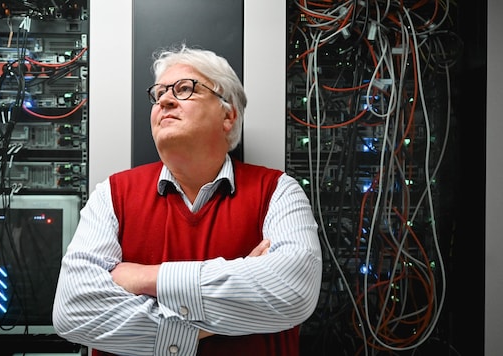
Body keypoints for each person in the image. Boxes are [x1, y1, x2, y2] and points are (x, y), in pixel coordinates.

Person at [52, 43, 323, 356]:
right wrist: (236, 289)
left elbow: (292, 292)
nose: (165, 100)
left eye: (184, 89)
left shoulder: (277, 191)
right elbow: (72, 312)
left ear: (228, 115)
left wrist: (143, 277)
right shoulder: (112, 195)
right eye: (159, 94)